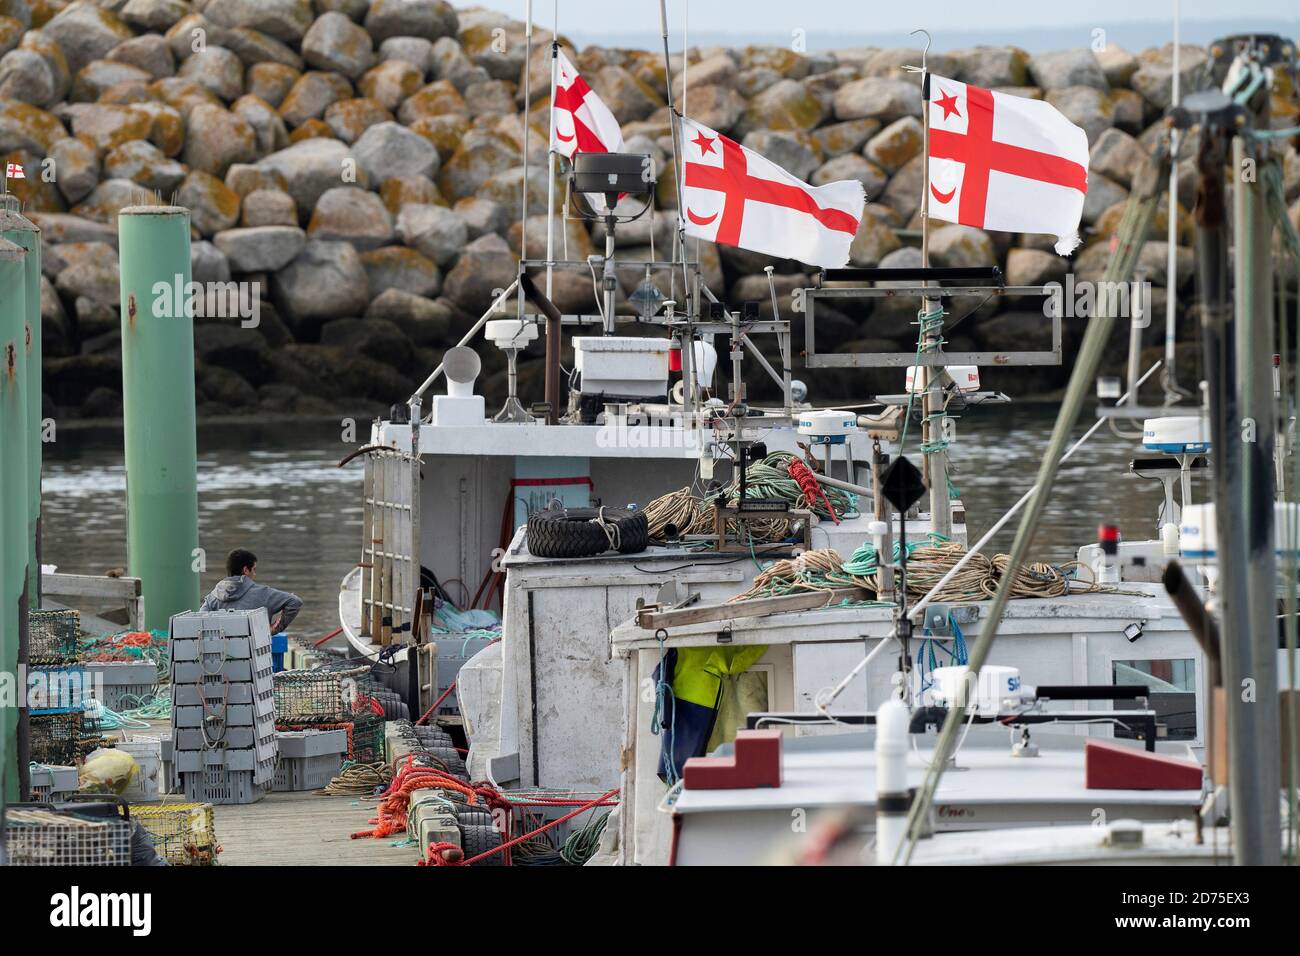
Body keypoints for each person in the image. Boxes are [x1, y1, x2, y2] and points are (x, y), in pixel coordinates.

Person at [200, 548, 303, 635]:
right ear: (245, 570)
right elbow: (295, 602)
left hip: (221, 656)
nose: (255, 574)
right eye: (254, 569)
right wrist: (272, 629)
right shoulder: (263, 593)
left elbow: (199, 623)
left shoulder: (212, 598)